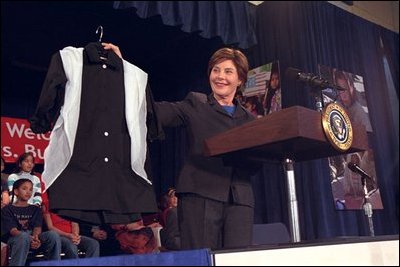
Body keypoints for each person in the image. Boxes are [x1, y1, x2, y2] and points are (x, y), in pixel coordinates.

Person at [107, 45, 260, 249]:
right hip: (201, 195)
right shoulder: (196, 104)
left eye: (228, 71)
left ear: (240, 79)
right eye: (216, 70)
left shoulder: (250, 120)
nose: (220, 76)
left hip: (240, 199)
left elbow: (258, 162)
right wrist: (125, 72)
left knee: (237, 260)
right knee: (202, 258)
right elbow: (154, 111)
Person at [29, 42, 164, 225]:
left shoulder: (136, 76)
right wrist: (41, 121)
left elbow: (149, 115)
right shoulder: (69, 60)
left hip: (121, 169)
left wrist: (41, 122)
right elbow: (50, 91)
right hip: (79, 164)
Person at [1, 178, 61, 266]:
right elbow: (13, 231)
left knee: (53, 235)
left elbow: (37, 228)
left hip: (33, 239)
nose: (28, 192)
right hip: (15, 240)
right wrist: (29, 238)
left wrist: (36, 239)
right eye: (24, 189)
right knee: (23, 236)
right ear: (16, 191)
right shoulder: (7, 209)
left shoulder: (36, 209)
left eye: (30, 189)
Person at [42, 191, 100, 259]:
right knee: (71, 245)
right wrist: (68, 235)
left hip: (72, 236)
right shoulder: (47, 205)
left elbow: (75, 224)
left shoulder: (69, 205)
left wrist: (76, 236)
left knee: (93, 244)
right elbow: (50, 227)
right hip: (59, 236)